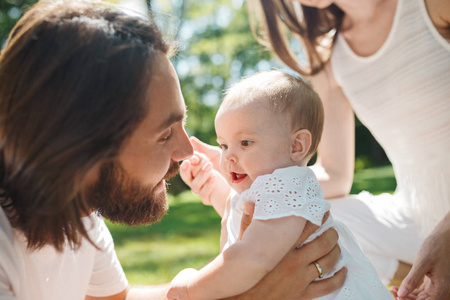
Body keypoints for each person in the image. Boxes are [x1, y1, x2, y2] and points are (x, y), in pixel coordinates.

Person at [0, 0, 346, 299]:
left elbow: (114, 299)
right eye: (165, 134)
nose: (185, 150)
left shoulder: (78, 208)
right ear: (77, 145)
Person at [182, 0, 450, 299]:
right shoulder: (328, 52)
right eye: (227, 144)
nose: (231, 152)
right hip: (414, 219)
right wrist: (236, 171)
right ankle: (415, 282)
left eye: (245, 142)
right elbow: (331, 177)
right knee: (312, 218)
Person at [170, 71, 391, 300]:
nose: (228, 158)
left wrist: (191, 289)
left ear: (296, 146)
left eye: (245, 142)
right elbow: (237, 208)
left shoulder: (287, 188)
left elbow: (253, 258)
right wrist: (213, 184)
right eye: (224, 145)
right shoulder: (264, 191)